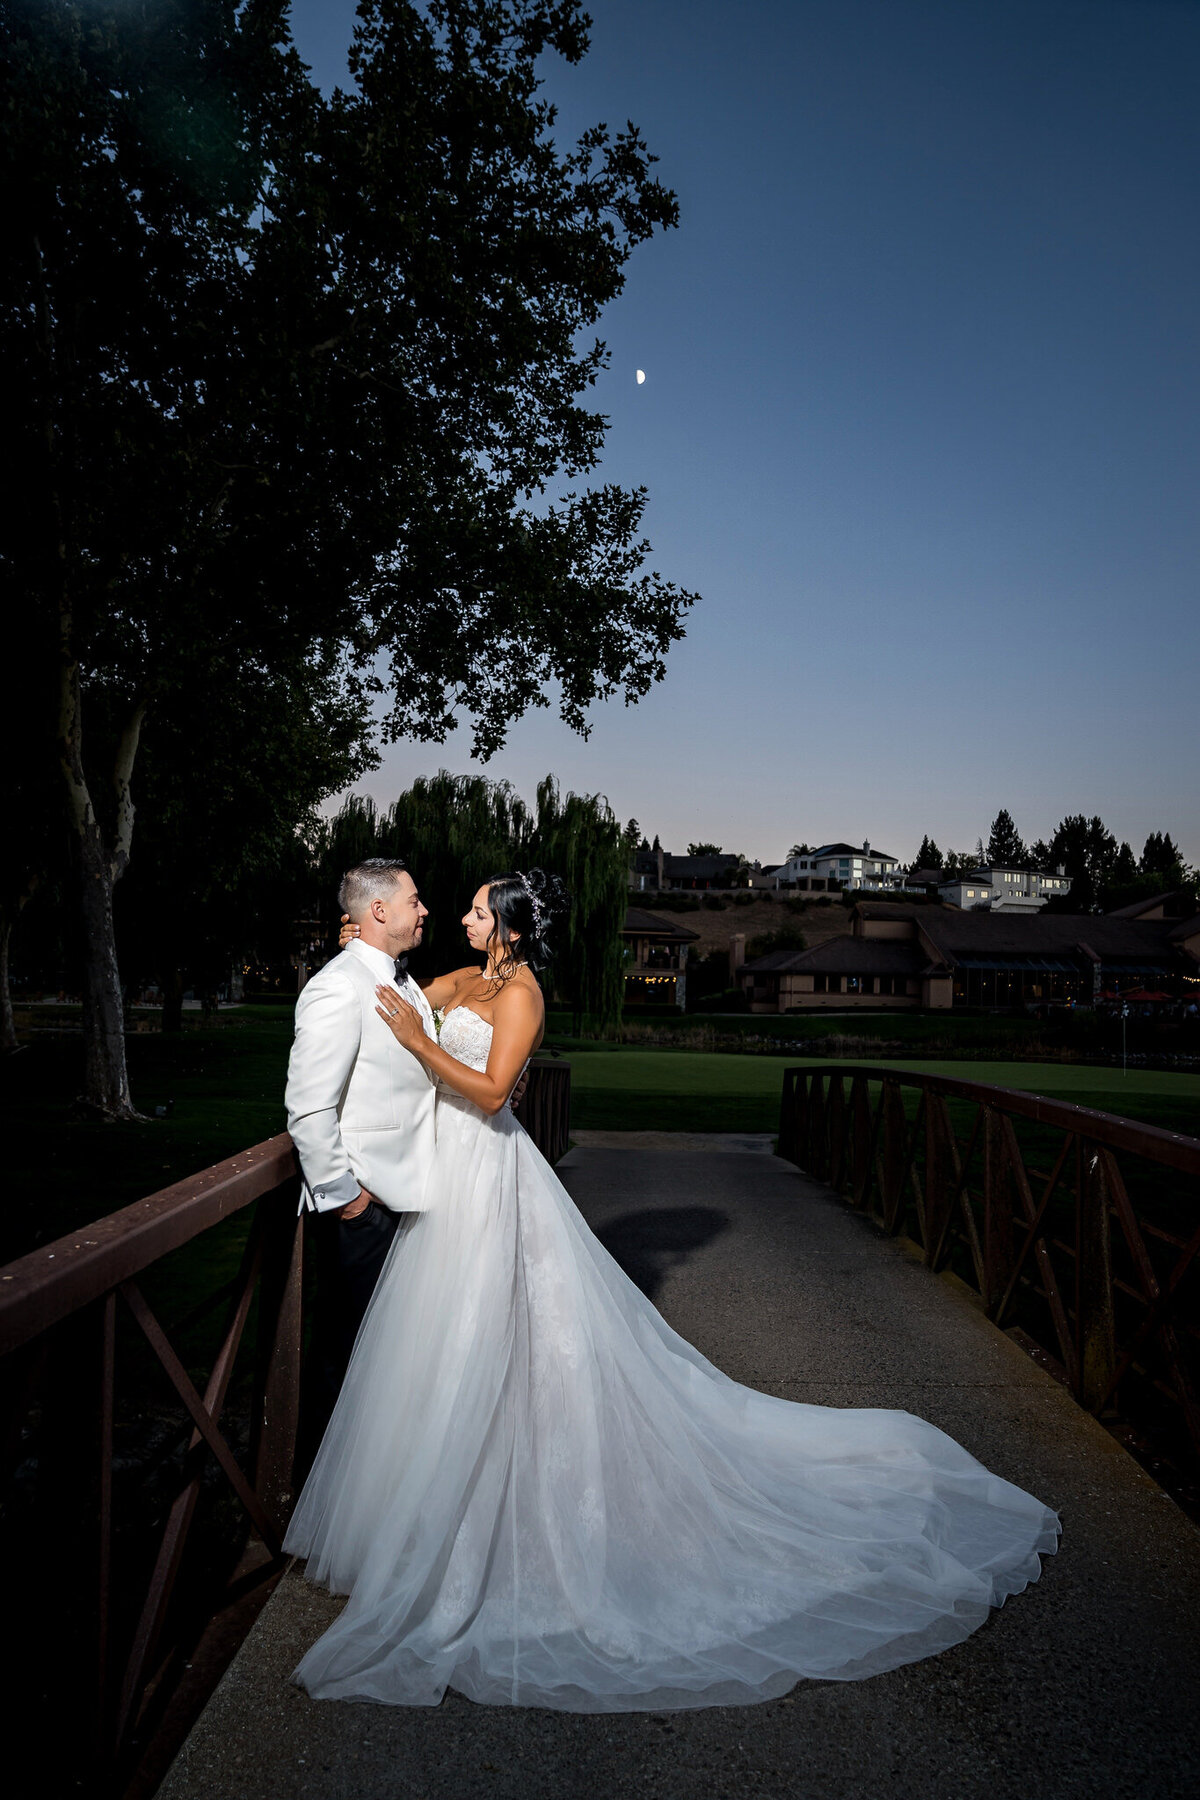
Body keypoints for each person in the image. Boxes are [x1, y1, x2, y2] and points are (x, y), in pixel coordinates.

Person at [284, 868, 1060, 1711]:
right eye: (456, 905)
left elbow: (494, 1089)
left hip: (491, 1172)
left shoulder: (523, 998)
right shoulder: (454, 980)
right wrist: (358, 949)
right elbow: (393, 994)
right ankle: (429, 1507)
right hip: (440, 1179)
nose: (456, 917)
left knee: (504, 1335)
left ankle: (508, 1516)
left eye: (473, 909)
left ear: (506, 925)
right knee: (441, 1347)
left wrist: (424, 1044)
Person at [284, 857, 436, 1438]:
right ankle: (317, 1509)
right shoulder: (336, 988)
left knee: (390, 1366)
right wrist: (346, 1200)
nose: (424, 911)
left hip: (409, 1202)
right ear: (379, 911)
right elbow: (310, 1107)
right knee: (345, 1363)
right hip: (364, 1213)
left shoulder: (403, 982)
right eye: (414, 900)